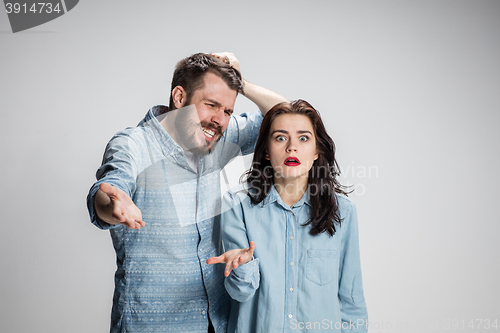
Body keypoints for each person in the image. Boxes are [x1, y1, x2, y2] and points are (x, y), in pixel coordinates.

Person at [86, 52, 287, 333]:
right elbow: (108, 191)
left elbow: (287, 117)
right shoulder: (133, 144)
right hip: (151, 324)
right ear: (179, 98)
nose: (220, 119)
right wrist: (112, 203)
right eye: (211, 105)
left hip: (218, 320)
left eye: (228, 111)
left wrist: (243, 84)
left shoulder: (218, 138)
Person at [207, 100, 368, 332]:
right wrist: (244, 266)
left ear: (316, 152)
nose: (292, 147)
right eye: (280, 138)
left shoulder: (343, 211)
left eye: (303, 138)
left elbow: (351, 300)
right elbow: (239, 293)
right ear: (266, 152)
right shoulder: (237, 205)